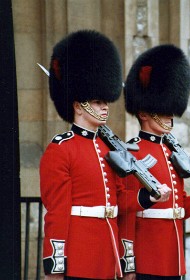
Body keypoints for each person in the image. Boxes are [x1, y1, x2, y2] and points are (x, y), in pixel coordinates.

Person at [39, 30, 170, 280]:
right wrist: (55, 266)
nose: (105, 107)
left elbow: (119, 202)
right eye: (98, 101)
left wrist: (148, 197)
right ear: (78, 106)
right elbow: (56, 213)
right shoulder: (61, 148)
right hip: (79, 257)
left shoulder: (108, 148)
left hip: (109, 257)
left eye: (106, 101)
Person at [120, 44, 190, 280]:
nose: (169, 115)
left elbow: (178, 206)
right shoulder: (132, 152)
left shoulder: (170, 152)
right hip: (147, 259)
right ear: (144, 113)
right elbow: (126, 211)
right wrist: (129, 262)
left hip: (174, 259)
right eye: (162, 110)